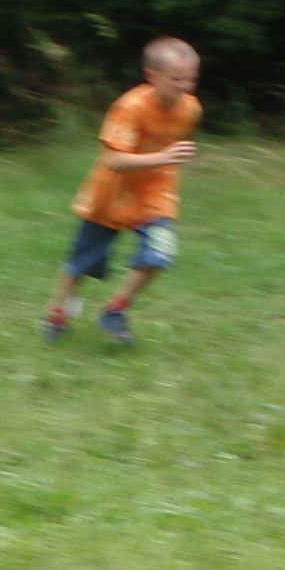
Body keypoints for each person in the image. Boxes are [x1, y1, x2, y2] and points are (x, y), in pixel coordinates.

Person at [42, 37, 201, 346]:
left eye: (191, 79)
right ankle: (59, 313)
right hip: (111, 193)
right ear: (152, 76)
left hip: (154, 194)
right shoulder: (130, 107)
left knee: (159, 253)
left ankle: (115, 310)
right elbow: (113, 160)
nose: (185, 86)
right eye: (176, 79)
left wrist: (163, 163)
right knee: (82, 263)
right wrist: (162, 158)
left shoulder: (191, 109)